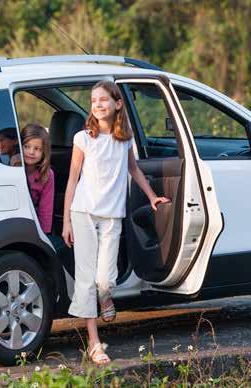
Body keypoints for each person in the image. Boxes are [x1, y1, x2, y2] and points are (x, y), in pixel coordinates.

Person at [62, 80, 170, 365]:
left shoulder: (125, 139)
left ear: (118, 104)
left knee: (105, 280)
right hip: (83, 212)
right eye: (93, 100)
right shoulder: (83, 138)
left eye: (104, 100)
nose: (97, 105)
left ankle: (106, 297)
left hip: (112, 214)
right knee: (86, 280)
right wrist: (66, 223)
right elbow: (72, 179)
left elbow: (133, 169)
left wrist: (152, 197)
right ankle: (95, 344)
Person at [20, 124, 54, 236]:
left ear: (44, 152)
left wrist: (44, 234)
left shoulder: (47, 175)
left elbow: (45, 208)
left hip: (31, 222)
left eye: (37, 149)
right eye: (26, 147)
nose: (31, 152)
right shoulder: (10, 166)